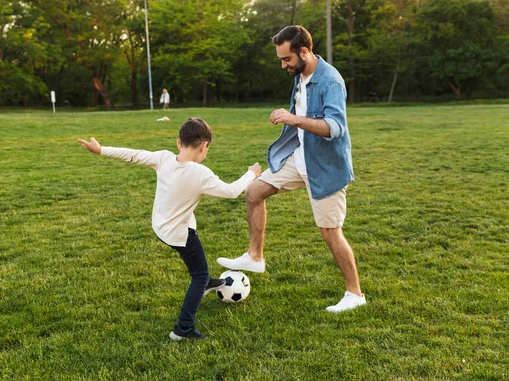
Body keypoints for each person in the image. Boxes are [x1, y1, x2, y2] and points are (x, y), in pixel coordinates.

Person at [217, 25, 366, 313]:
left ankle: (355, 294)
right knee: (254, 191)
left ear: (304, 51)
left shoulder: (330, 81)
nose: (284, 65)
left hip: (324, 167)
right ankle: (255, 256)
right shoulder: (300, 75)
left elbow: (335, 128)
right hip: (300, 159)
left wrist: (293, 119)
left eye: (286, 59)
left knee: (330, 232)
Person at [77, 118, 261, 340]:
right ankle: (183, 329)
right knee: (199, 276)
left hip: (161, 226)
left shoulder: (163, 158)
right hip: (179, 234)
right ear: (204, 147)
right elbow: (231, 191)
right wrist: (252, 173)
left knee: (199, 270)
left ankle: (205, 282)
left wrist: (101, 150)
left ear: (178, 142)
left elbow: (133, 154)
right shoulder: (200, 174)